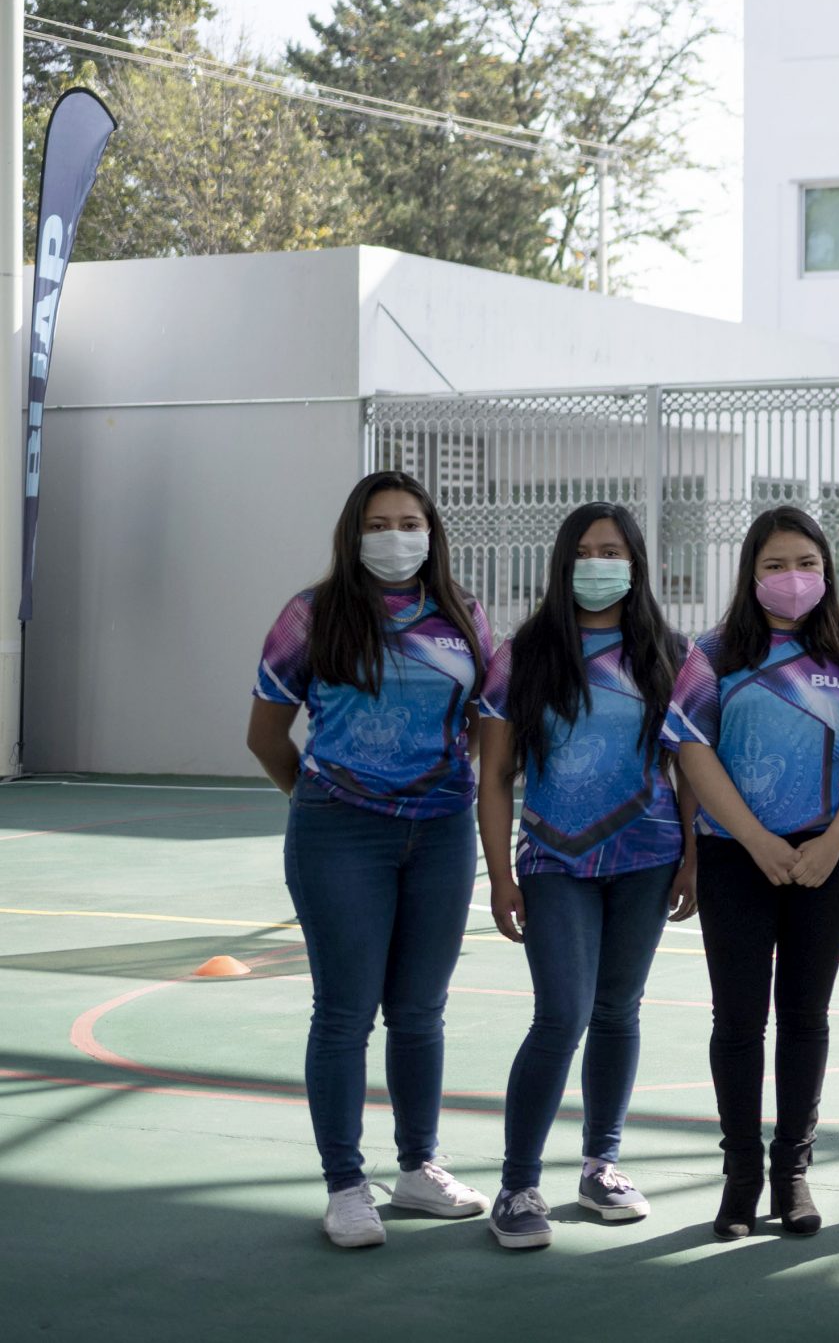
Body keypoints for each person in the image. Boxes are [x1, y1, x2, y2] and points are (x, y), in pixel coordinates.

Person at [245, 469, 494, 1248]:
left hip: (442, 834)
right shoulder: (310, 615)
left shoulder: (465, 615)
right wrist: (322, 802)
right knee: (345, 1012)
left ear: (432, 531)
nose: (397, 536)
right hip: (339, 832)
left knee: (420, 1011)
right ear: (356, 534)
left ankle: (418, 1167)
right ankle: (346, 1184)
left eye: (410, 521)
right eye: (380, 523)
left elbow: (490, 723)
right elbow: (266, 734)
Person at [474, 503, 712, 1250]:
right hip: (554, 860)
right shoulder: (525, 653)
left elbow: (689, 765)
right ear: (561, 563)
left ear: (636, 563)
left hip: (646, 856)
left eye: (612, 550)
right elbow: (496, 775)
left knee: (617, 1009)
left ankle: (601, 1163)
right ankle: (517, 1184)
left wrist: (692, 855)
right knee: (561, 1013)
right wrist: (499, 872)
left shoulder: (669, 651)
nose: (597, 562)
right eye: (583, 551)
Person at [672, 505, 839, 1239]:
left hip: (826, 858)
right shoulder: (711, 656)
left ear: (826, 572)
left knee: (806, 1017)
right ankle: (739, 1178)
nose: (792, 578)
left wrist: (834, 839)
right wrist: (753, 838)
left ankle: (791, 1174)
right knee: (737, 1020)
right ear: (750, 573)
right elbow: (693, 750)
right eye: (775, 565)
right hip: (738, 857)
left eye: (805, 562)